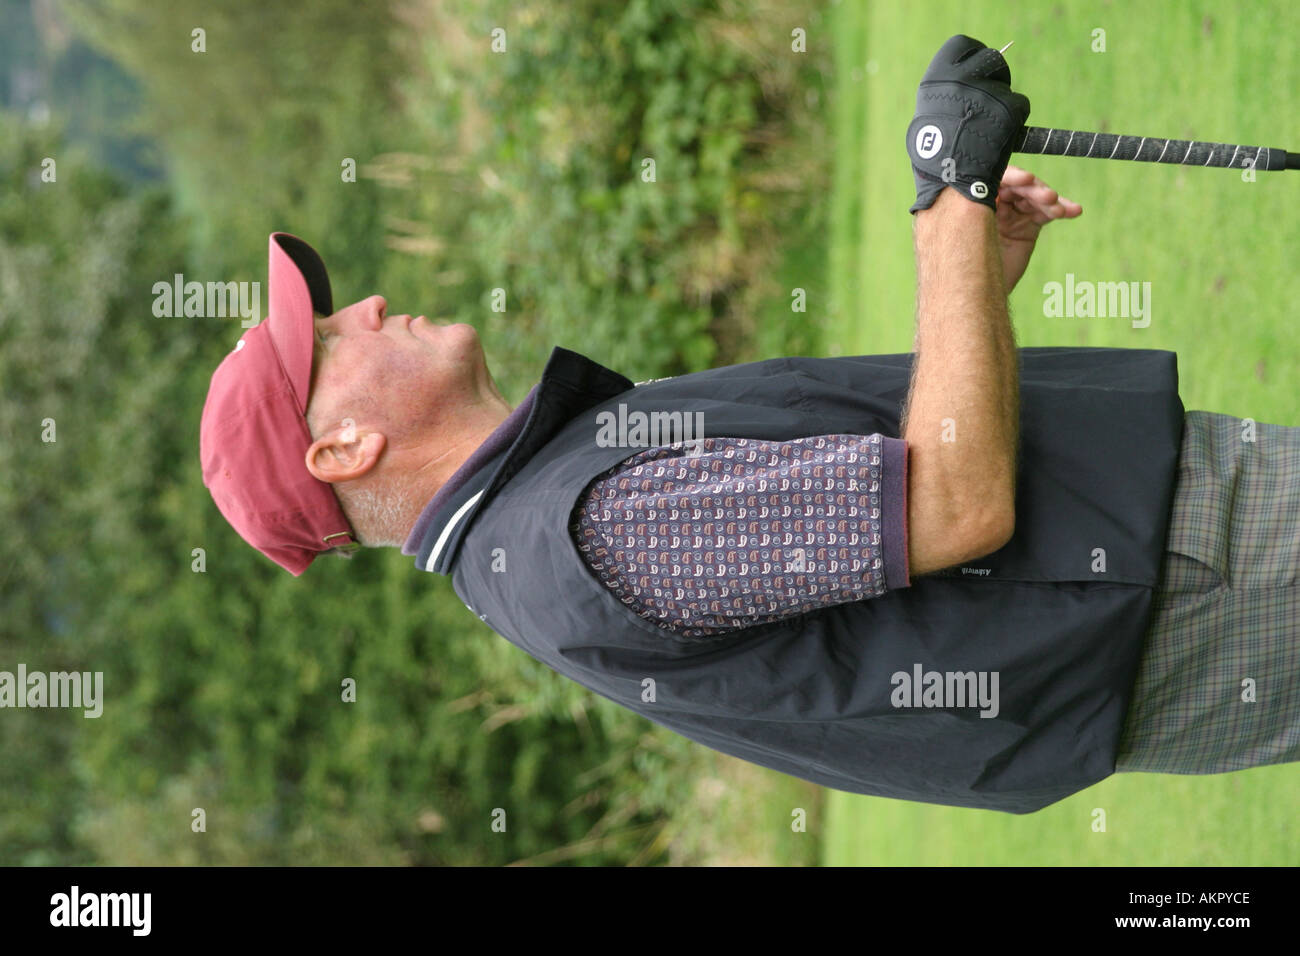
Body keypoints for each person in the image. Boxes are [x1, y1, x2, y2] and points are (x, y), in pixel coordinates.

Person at [200, 36, 1298, 812]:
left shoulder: (547, 511)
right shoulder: (588, 528)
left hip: (1164, 568)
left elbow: (906, 469)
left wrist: (976, 275)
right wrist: (941, 215)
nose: (369, 309)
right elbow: (953, 506)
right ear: (341, 450)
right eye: (332, 340)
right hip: (1197, 575)